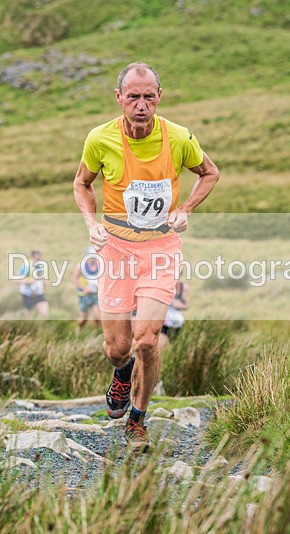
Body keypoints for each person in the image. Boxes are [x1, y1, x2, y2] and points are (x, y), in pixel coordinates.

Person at [73, 62, 220, 450]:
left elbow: (210, 172)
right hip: (116, 250)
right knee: (118, 348)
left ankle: (137, 417)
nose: (141, 105)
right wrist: (91, 223)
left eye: (149, 97)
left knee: (147, 340)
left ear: (159, 98)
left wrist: (186, 208)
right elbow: (82, 184)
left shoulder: (178, 138)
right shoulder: (99, 139)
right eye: (134, 97)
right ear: (119, 97)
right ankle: (122, 374)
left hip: (160, 249)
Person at [71, 246, 102, 332]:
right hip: (84, 295)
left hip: (95, 294)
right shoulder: (81, 265)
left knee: (97, 317)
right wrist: (83, 288)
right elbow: (74, 278)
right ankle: (79, 329)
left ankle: (96, 333)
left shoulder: (99, 265)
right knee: (83, 319)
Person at [15, 249, 49, 318]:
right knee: (28, 316)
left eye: (40, 258)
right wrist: (28, 281)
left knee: (45, 313)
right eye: (37, 258)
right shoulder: (26, 266)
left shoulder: (41, 265)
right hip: (27, 295)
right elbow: (16, 280)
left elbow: (44, 278)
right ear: (33, 257)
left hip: (39, 294)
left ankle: (42, 327)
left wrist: (45, 281)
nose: (39, 260)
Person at [158, 280, 189, 351]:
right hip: (164, 321)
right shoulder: (161, 285)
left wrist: (179, 305)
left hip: (177, 322)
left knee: (173, 348)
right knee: (162, 346)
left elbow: (186, 305)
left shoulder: (183, 287)